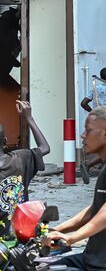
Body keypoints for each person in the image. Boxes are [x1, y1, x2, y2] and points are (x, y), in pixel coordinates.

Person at [42, 105, 106, 271]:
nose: (83, 136)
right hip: (95, 257)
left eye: (88, 130)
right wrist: (55, 230)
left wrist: (72, 238)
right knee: (43, 266)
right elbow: (94, 211)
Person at [0, 101, 49, 239]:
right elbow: (45, 147)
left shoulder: (21, 157)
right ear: (5, 141)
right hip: (20, 233)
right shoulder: (21, 158)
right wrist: (29, 118)